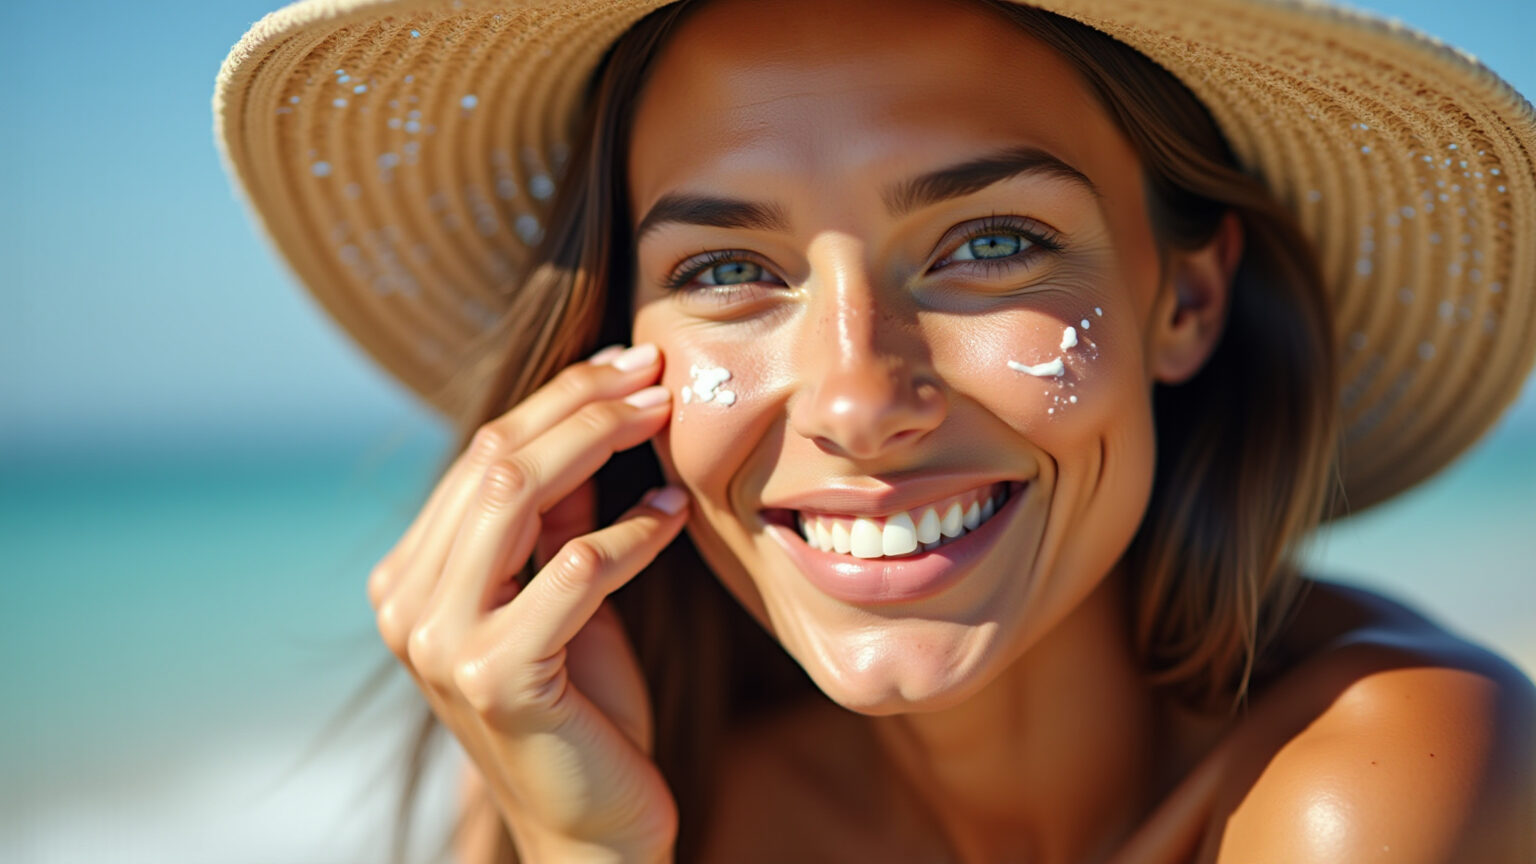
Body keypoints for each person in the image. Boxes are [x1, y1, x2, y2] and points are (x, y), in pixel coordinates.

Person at [215, 0, 1536, 860]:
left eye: (994, 243)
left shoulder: (1376, 784)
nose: (854, 398)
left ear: (1183, 297)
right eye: (727, 271)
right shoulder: (627, 772)